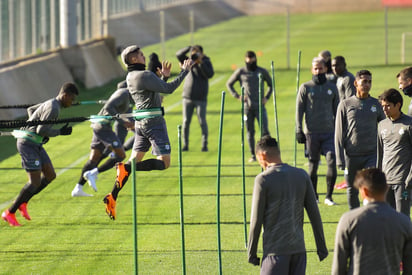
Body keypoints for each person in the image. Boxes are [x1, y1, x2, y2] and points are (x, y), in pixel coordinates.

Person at [102, 45, 192, 220]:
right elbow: (168, 90)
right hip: (154, 123)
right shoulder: (144, 75)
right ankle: (126, 167)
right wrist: (184, 72)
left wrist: (163, 77)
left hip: (141, 124)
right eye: (141, 55)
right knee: (164, 163)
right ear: (134, 59)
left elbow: (154, 93)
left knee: (134, 160)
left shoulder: (130, 76)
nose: (144, 57)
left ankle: (112, 196)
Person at [248, 135, 328, 274]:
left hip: (275, 252)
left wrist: (252, 253)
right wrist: (321, 248)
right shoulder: (301, 175)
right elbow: (315, 215)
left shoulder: (263, 180)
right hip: (299, 252)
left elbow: (256, 220)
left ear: (262, 155)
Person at [2, 83, 79, 226]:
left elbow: (31, 110)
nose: (72, 102)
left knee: (50, 175)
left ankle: (23, 202)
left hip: (36, 143)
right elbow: (41, 130)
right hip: (27, 144)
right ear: (65, 95)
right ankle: (9, 212)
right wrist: (60, 132)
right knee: (34, 182)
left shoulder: (52, 102)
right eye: (72, 99)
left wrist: (33, 124)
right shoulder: (54, 108)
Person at [332, 168, 412, 274]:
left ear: (364, 191)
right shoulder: (404, 222)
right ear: (386, 188)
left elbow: (339, 265)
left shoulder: (349, 220)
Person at [71, 84, 134, 197]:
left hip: (98, 125)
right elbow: (109, 108)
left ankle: (78, 188)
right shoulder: (123, 94)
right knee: (121, 155)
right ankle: (93, 173)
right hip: (102, 127)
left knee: (94, 159)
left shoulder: (125, 98)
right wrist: (123, 122)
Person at [335, 70, 386, 209]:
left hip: (372, 154)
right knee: (352, 189)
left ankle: (371, 214)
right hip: (352, 156)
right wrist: (340, 159)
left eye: (369, 82)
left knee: (372, 186)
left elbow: (385, 128)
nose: (367, 85)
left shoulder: (376, 104)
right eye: (364, 82)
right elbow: (338, 133)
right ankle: (355, 216)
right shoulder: (345, 105)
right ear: (356, 83)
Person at [296, 57, 339, 205]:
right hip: (311, 133)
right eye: (315, 68)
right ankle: (314, 196)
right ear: (311, 70)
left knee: (332, 161)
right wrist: (298, 129)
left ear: (325, 69)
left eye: (320, 68)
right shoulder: (306, 87)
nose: (318, 71)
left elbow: (338, 111)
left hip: (329, 132)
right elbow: (299, 110)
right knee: (313, 165)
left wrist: (340, 130)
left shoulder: (332, 88)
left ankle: (329, 196)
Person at [226, 50, 272, 162]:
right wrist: (237, 96)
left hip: (260, 106)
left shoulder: (261, 71)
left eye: (252, 60)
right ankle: (253, 155)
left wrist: (266, 97)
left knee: (265, 131)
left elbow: (271, 85)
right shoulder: (241, 72)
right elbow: (229, 84)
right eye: (248, 60)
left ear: (255, 59)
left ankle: (269, 154)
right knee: (250, 132)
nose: (250, 62)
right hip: (247, 107)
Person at [377, 88, 412, 218]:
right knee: (387, 219)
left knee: (402, 218)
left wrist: (410, 179)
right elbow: (380, 152)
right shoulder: (381, 125)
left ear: (398, 105)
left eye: (388, 106)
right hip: (386, 180)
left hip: (403, 181)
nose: (385, 109)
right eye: (383, 106)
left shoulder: (409, 124)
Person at [176, 45, 214, 152]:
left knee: (202, 121)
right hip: (187, 97)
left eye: (197, 53)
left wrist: (201, 62)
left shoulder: (206, 62)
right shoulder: (188, 61)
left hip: (200, 98)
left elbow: (210, 74)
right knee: (186, 122)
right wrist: (188, 48)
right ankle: (185, 145)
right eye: (194, 53)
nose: (195, 55)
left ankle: (204, 144)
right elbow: (178, 54)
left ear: (202, 53)